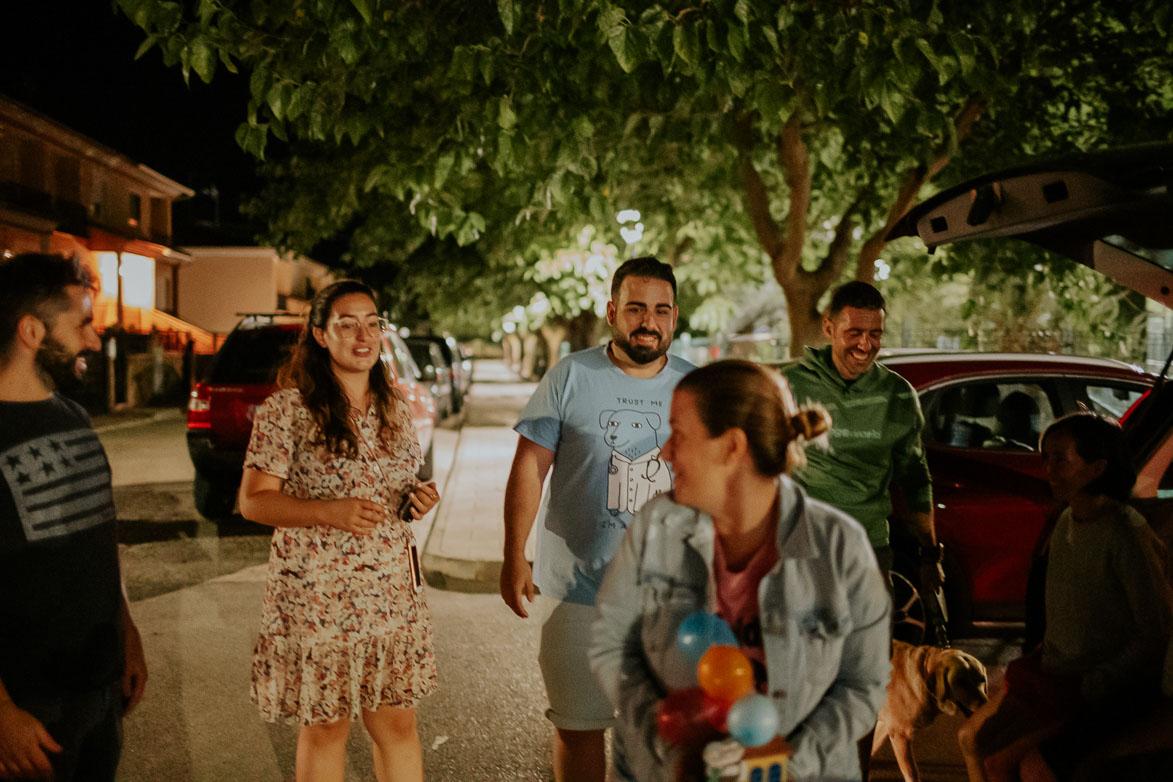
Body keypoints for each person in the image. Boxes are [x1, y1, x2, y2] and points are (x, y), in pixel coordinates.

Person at [590, 359, 892, 781]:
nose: (664, 452)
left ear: (732, 447)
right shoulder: (655, 525)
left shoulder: (841, 547)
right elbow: (611, 644)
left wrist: (785, 764)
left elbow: (863, 684)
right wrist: (669, 744)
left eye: (678, 433)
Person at [501, 256, 694, 782]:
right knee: (578, 728)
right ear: (612, 312)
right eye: (635, 308)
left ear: (675, 317)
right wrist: (513, 554)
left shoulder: (700, 388)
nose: (647, 322)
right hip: (577, 590)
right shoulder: (570, 375)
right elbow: (528, 468)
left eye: (659, 310)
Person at [238, 279, 439, 782]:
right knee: (327, 726)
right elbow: (252, 501)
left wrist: (416, 501)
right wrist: (328, 511)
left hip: (390, 593)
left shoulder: (396, 406)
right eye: (346, 324)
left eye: (372, 323)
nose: (362, 335)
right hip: (318, 595)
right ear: (321, 335)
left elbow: (393, 489)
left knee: (397, 721)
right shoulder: (287, 409)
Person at [780, 280, 940, 780]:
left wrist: (928, 544)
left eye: (875, 334)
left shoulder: (896, 395)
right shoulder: (790, 385)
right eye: (853, 332)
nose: (865, 345)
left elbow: (914, 476)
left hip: (869, 554)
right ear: (828, 328)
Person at [957, 412, 1173, 782]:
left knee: (1004, 759)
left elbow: (1154, 627)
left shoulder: (1125, 532)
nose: (1048, 469)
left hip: (1092, 684)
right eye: (1045, 458)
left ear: (1096, 468)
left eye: (1060, 459)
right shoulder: (1067, 521)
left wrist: (1099, 681)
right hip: (1055, 672)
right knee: (974, 738)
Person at [0, 253, 148, 781]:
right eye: (83, 322)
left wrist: (126, 630)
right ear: (32, 331)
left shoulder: (76, 419)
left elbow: (99, 536)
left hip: (98, 689)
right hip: (26, 705)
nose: (95, 338)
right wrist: (2, 715)